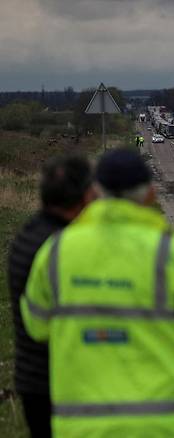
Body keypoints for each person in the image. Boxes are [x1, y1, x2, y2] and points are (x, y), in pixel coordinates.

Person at [21, 148, 174, 438]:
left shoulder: (56, 250)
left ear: (94, 192)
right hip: (166, 422)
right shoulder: (168, 250)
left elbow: (37, 326)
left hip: (84, 423)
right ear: (150, 194)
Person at [8, 155, 95, 438]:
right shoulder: (63, 248)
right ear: (83, 196)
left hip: (32, 378)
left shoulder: (30, 233)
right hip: (62, 380)